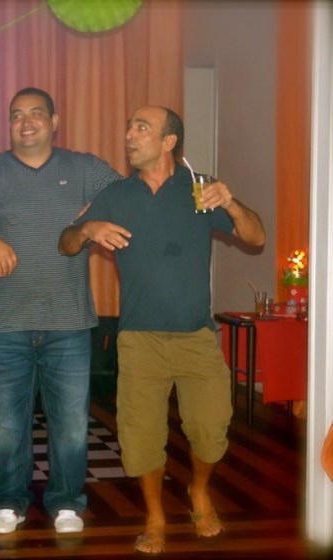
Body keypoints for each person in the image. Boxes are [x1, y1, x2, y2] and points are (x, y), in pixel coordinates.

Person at [59, 105, 265, 555]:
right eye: (129, 127)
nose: (130, 135)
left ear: (169, 142)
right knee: (139, 439)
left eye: (142, 128)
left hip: (197, 337)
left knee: (211, 431)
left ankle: (198, 491)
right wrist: (88, 227)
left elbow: (256, 237)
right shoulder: (116, 194)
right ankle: (154, 517)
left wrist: (230, 201)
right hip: (139, 340)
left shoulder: (200, 189)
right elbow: (66, 243)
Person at [0, 87, 122, 535]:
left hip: (69, 322)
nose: (26, 122)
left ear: (55, 122)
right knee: (8, 428)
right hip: (5, 325)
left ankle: (66, 502)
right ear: (9, 124)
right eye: (17, 115)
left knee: (70, 425)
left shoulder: (86, 168)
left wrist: (96, 219)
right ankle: (10, 502)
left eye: (36, 113)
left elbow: (129, 200)